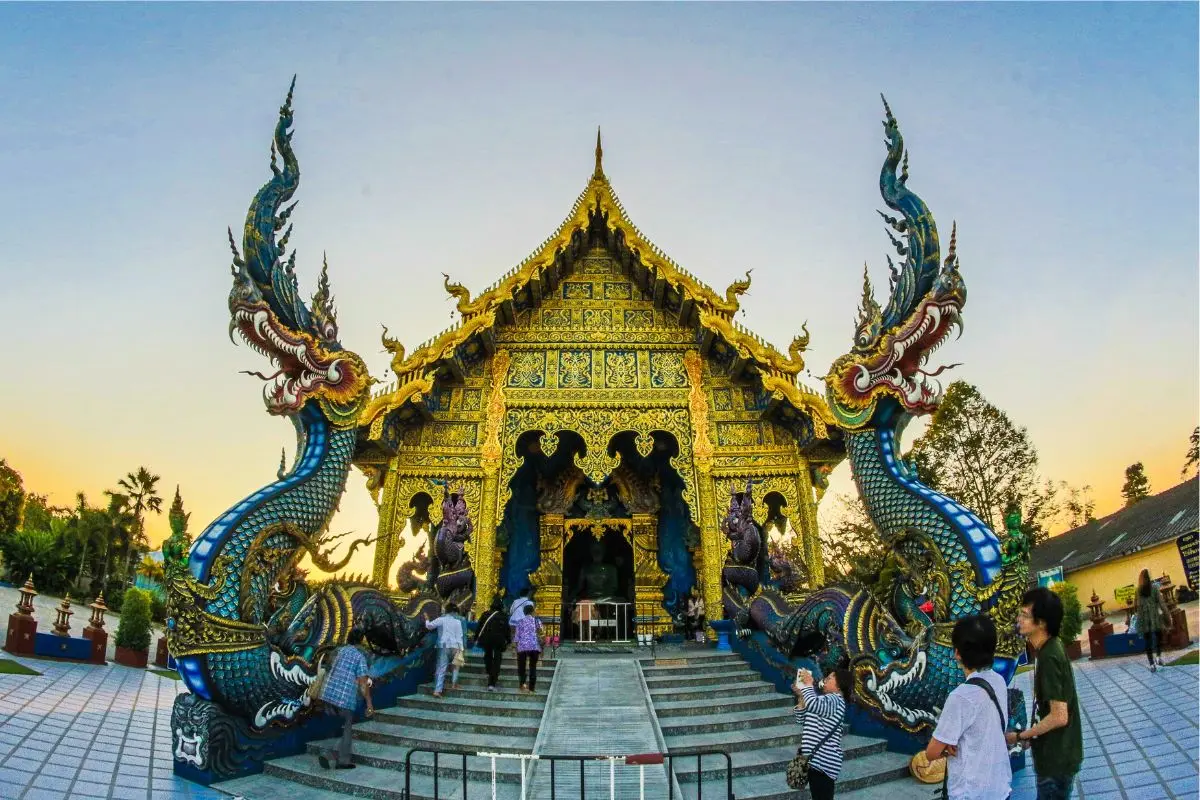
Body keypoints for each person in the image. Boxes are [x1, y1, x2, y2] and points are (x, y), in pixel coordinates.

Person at [1006, 588, 1082, 800]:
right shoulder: (1048, 649)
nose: (1019, 619)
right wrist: (1035, 733)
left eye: (1024, 615)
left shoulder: (1049, 655)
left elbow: (1059, 716)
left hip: (1056, 760)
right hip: (1055, 756)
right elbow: (1047, 709)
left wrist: (1020, 736)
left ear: (1041, 622)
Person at [925, 615, 1012, 800]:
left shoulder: (960, 697)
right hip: (1000, 788)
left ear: (957, 653)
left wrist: (948, 746)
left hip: (971, 793)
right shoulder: (999, 682)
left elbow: (931, 752)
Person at [317, 628, 374, 771]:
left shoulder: (339, 651)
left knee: (334, 726)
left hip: (328, 694)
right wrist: (369, 704)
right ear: (361, 641)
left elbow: (328, 667)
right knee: (347, 728)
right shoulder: (359, 657)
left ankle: (327, 751)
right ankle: (341, 760)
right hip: (344, 698)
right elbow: (363, 682)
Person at [792, 667, 851, 800]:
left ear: (839, 685)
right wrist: (801, 695)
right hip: (815, 762)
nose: (825, 680)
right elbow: (801, 718)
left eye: (830, 678)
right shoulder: (824, 700)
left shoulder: (835, 700)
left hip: (823, 764)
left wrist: (807, 684)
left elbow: (813, 704)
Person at [424, 603, 465, 698]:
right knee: (456, 665)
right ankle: (454, 684)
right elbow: (460, 636)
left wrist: (426, 619)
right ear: (454, 612)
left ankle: (437, 690)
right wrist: (461, 649)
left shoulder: (441, 620)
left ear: (446, 611)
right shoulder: (457, 622)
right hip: (455, 646)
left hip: (444, 646)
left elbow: (429, 626)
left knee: (442, 668)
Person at [1134, 568, 1172, 671]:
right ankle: (1158, 657)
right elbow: (1162, 604)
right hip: (1155, 618)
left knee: (1148, 642)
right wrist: (1167, 617)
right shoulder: (1155, 588)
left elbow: (1136, 607)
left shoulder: (1138, 591)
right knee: (1159, 638)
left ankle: (1151, 664)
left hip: (1144, 619)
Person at [476, 595, 510, 691]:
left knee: (488, 656)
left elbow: (479, 627)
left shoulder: (485, 614)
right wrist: (508, 640)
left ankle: (489, 671)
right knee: (497, 660)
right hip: (499, 640)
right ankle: (492, 682)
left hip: (487, 639)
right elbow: (506, 630)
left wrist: (476, 638)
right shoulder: (503, 616)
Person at [514, 603, 544, 693]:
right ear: (532, 611)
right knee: (533, 667)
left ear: (524, 612)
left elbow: (516, 637)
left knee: (521, 667)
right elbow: (541, 633)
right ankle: (532, 688)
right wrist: (542, 647)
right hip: (534, 647)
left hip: (522, 647)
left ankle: (522, 685)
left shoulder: (520, 621)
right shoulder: (537, 621)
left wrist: (514, 648)